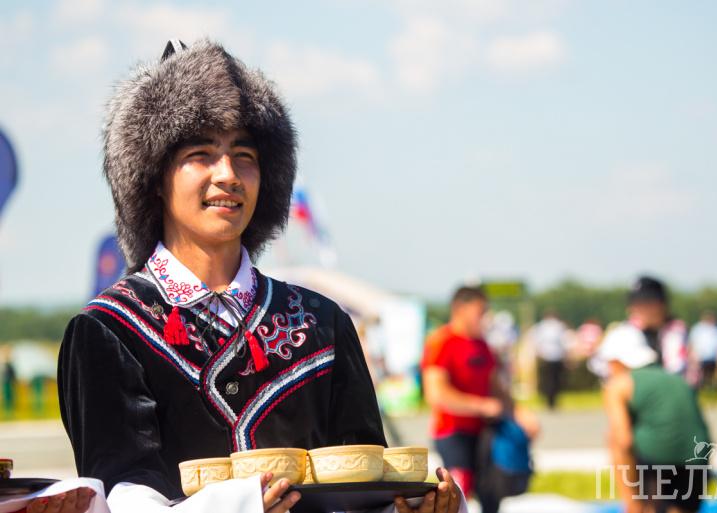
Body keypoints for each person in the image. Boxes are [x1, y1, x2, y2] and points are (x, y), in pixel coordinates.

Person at [57, 39, 460, 513]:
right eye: (201, 153)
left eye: (244, 155)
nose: (228, 174)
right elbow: (124, 500)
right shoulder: (109, 331)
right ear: (154, 178)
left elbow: (364, 486)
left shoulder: (323, 324)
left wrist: (412, 508)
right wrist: (239, 504)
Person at [421, 286, 538, 513]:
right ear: (460, 309)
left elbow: (497, 389)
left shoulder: (482, 345)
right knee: (457, 494)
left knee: (492, 493)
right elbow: (436, 394)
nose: (485, 316)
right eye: (480, 311)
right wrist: (481, 406)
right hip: (453, 432)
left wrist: (521, 415)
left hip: (485, 433)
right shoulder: (441, 341)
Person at [599, 325, 710, 513]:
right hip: (698, 465)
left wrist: (632, 499)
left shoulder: (619, 385)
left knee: (613, 439)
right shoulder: (677, 380)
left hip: (656, 468)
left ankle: (634, 507)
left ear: (617, 361)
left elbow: (623, 440)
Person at [529, 310, 569, 409]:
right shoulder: (559, 326)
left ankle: (548, 400)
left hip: (546, 356)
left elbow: (535, 340)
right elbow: (565, 342)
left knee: (547, 380)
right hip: (556, 356)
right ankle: (552, 400)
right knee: (555, 380)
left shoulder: (542, 326)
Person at [689, 311, 717, 400]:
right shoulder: (698, 329)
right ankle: (701, 393)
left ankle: (712, 393)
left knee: (713, 377)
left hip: (713, 358)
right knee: (700, 376)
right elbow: (692, 343)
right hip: (701, 358)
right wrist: (693, 356)